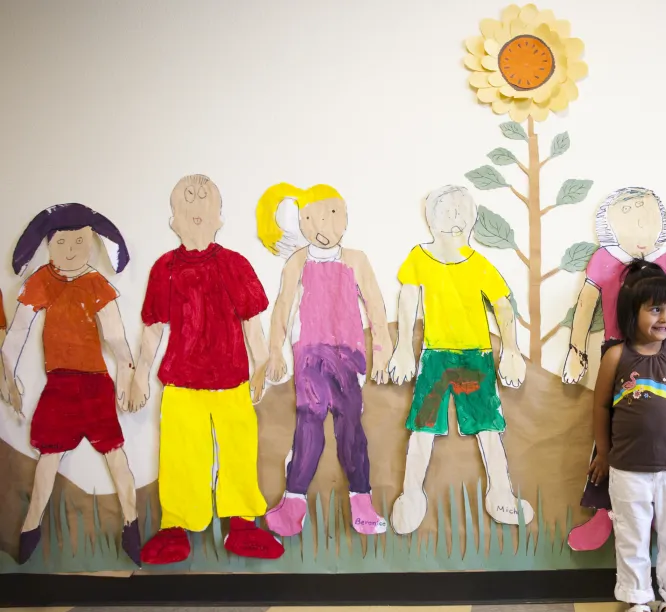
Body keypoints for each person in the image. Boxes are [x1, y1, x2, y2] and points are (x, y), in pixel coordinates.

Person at [129, 175, 283, 565]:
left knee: (238, 451)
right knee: (181, 455)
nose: (196, 208)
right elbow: (152, 329)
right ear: (173, 220)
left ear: (219, 218)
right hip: (181, 382)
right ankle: (176, 526)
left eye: (204, 202)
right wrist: (138, 374)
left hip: (231, 382)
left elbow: (253, 325)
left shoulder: (234, 264)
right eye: (186, 203)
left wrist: (262, 364)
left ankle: (242, 524)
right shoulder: (164, 268)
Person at [388, 185, 532, 534]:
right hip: (435, 356)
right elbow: (408, 299)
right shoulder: (418, 259)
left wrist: (511, 349)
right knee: (422, 425)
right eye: (448, 212)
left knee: (487, 424)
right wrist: (404, 348)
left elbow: (502, 304)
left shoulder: (479, 264)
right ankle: (411, 494)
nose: (456, 220)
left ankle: (500, 492)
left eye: (462, 213)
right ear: (431, 218)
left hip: (475, 357)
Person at [0, 204, 140, 565]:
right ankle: (31, 526)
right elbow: (16, 333)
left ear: (93, 242)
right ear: (48, 244)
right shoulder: (42, 280)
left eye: (80, 240)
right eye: (62, 241)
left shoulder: (96, 283)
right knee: (49, 455)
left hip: (95, 384)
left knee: (114, 453)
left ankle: (131, 523)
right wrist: (8, 376)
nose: (72, 249)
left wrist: (127, 372)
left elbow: (116, 337)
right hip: (59, 385)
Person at [256, 182, 391, 536]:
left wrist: (381, 350)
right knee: (308, 423)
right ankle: (293, 502)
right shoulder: (297, 261)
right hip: (309, 356)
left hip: (348, 356)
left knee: (350, 425)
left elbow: (375, 304)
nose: (322, 228)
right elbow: (282, 306)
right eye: (312, 218)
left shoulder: (356, 260)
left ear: (344, 218)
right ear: (301, 221)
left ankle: (362, 502)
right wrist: (275, 351)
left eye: (331, 216)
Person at [561, 187, 666, 552]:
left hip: (662, 355)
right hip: (617, 350)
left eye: (646, 217)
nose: (638, 224)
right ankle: (605, 513)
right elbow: (586, 304)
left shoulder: (665, 261)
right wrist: (576, 350)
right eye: (627, 217)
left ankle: (656, 517)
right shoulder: (604, 259)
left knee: (659, 431)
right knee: (612, 437)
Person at [591, 260, 666, 612]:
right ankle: (637, 600)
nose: (665, 317)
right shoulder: (616, 357)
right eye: (655, 309)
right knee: (632, 535)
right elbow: (601, 406)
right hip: (628, 468)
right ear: (631, 312)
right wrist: (603, 454)